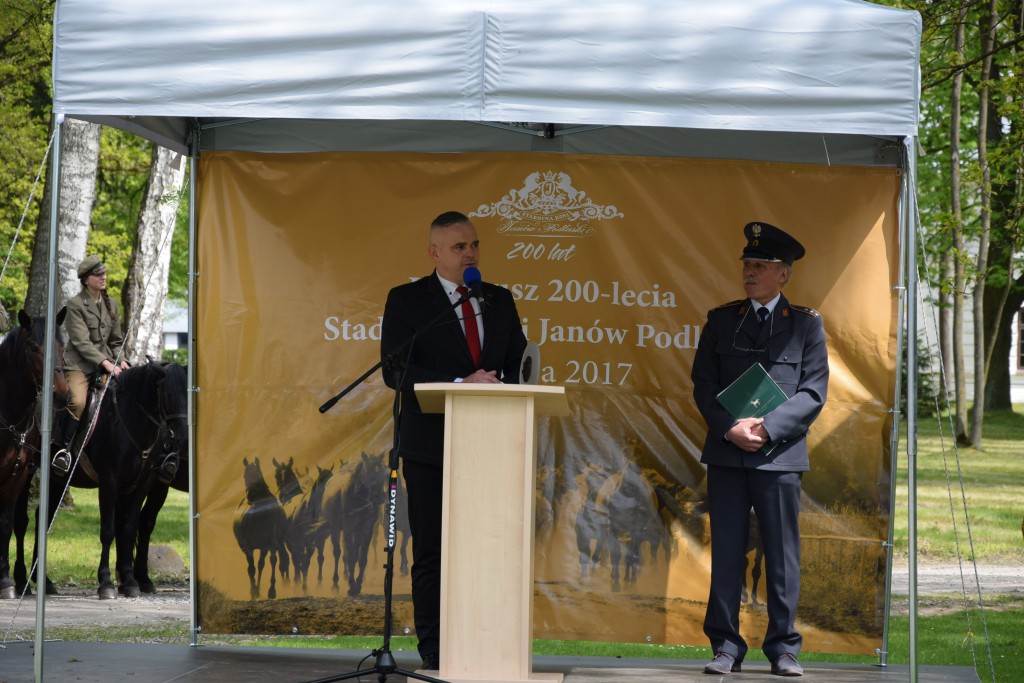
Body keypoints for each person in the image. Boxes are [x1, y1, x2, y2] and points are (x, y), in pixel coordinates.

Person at [380, 211, 528, 670]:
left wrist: (515, 381)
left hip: (492, 444)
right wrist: (461, 382)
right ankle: (435, 650)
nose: (470, 254)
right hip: (430, 445)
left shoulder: (498, 299)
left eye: (474, 245)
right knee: (432, 551)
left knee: (490, 547)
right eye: (459, 247)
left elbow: (519, 359)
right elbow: (396, 371)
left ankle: (488, 642)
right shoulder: (407, 300)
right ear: (434, 253)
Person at [690, 222, 829, 677]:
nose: (749, 272)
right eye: (747, 265)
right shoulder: (721, 320)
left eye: (760, 266)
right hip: (728, 453)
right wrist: (730, 428)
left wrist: (767, 429)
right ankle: (725, 647)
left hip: (779, 456)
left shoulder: (806, 325)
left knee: (782, 555)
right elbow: (704, 384)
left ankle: (784, 649)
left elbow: (813, 393)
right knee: (727, 552)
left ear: (782, 274)